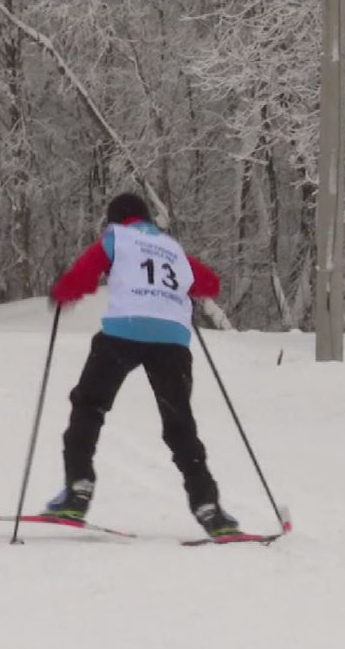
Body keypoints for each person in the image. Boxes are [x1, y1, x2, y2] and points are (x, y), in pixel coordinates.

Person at [41, 192, 240, 538]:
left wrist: (61, 292)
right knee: (180, 425)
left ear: (115, 218)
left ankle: (78, 490)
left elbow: (84, 277)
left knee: (89, 405)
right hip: (172, 339)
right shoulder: (171, 247)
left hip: (125, 331)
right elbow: (209, 284)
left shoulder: (116, 237)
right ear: (148, 218)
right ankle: (209, 507)